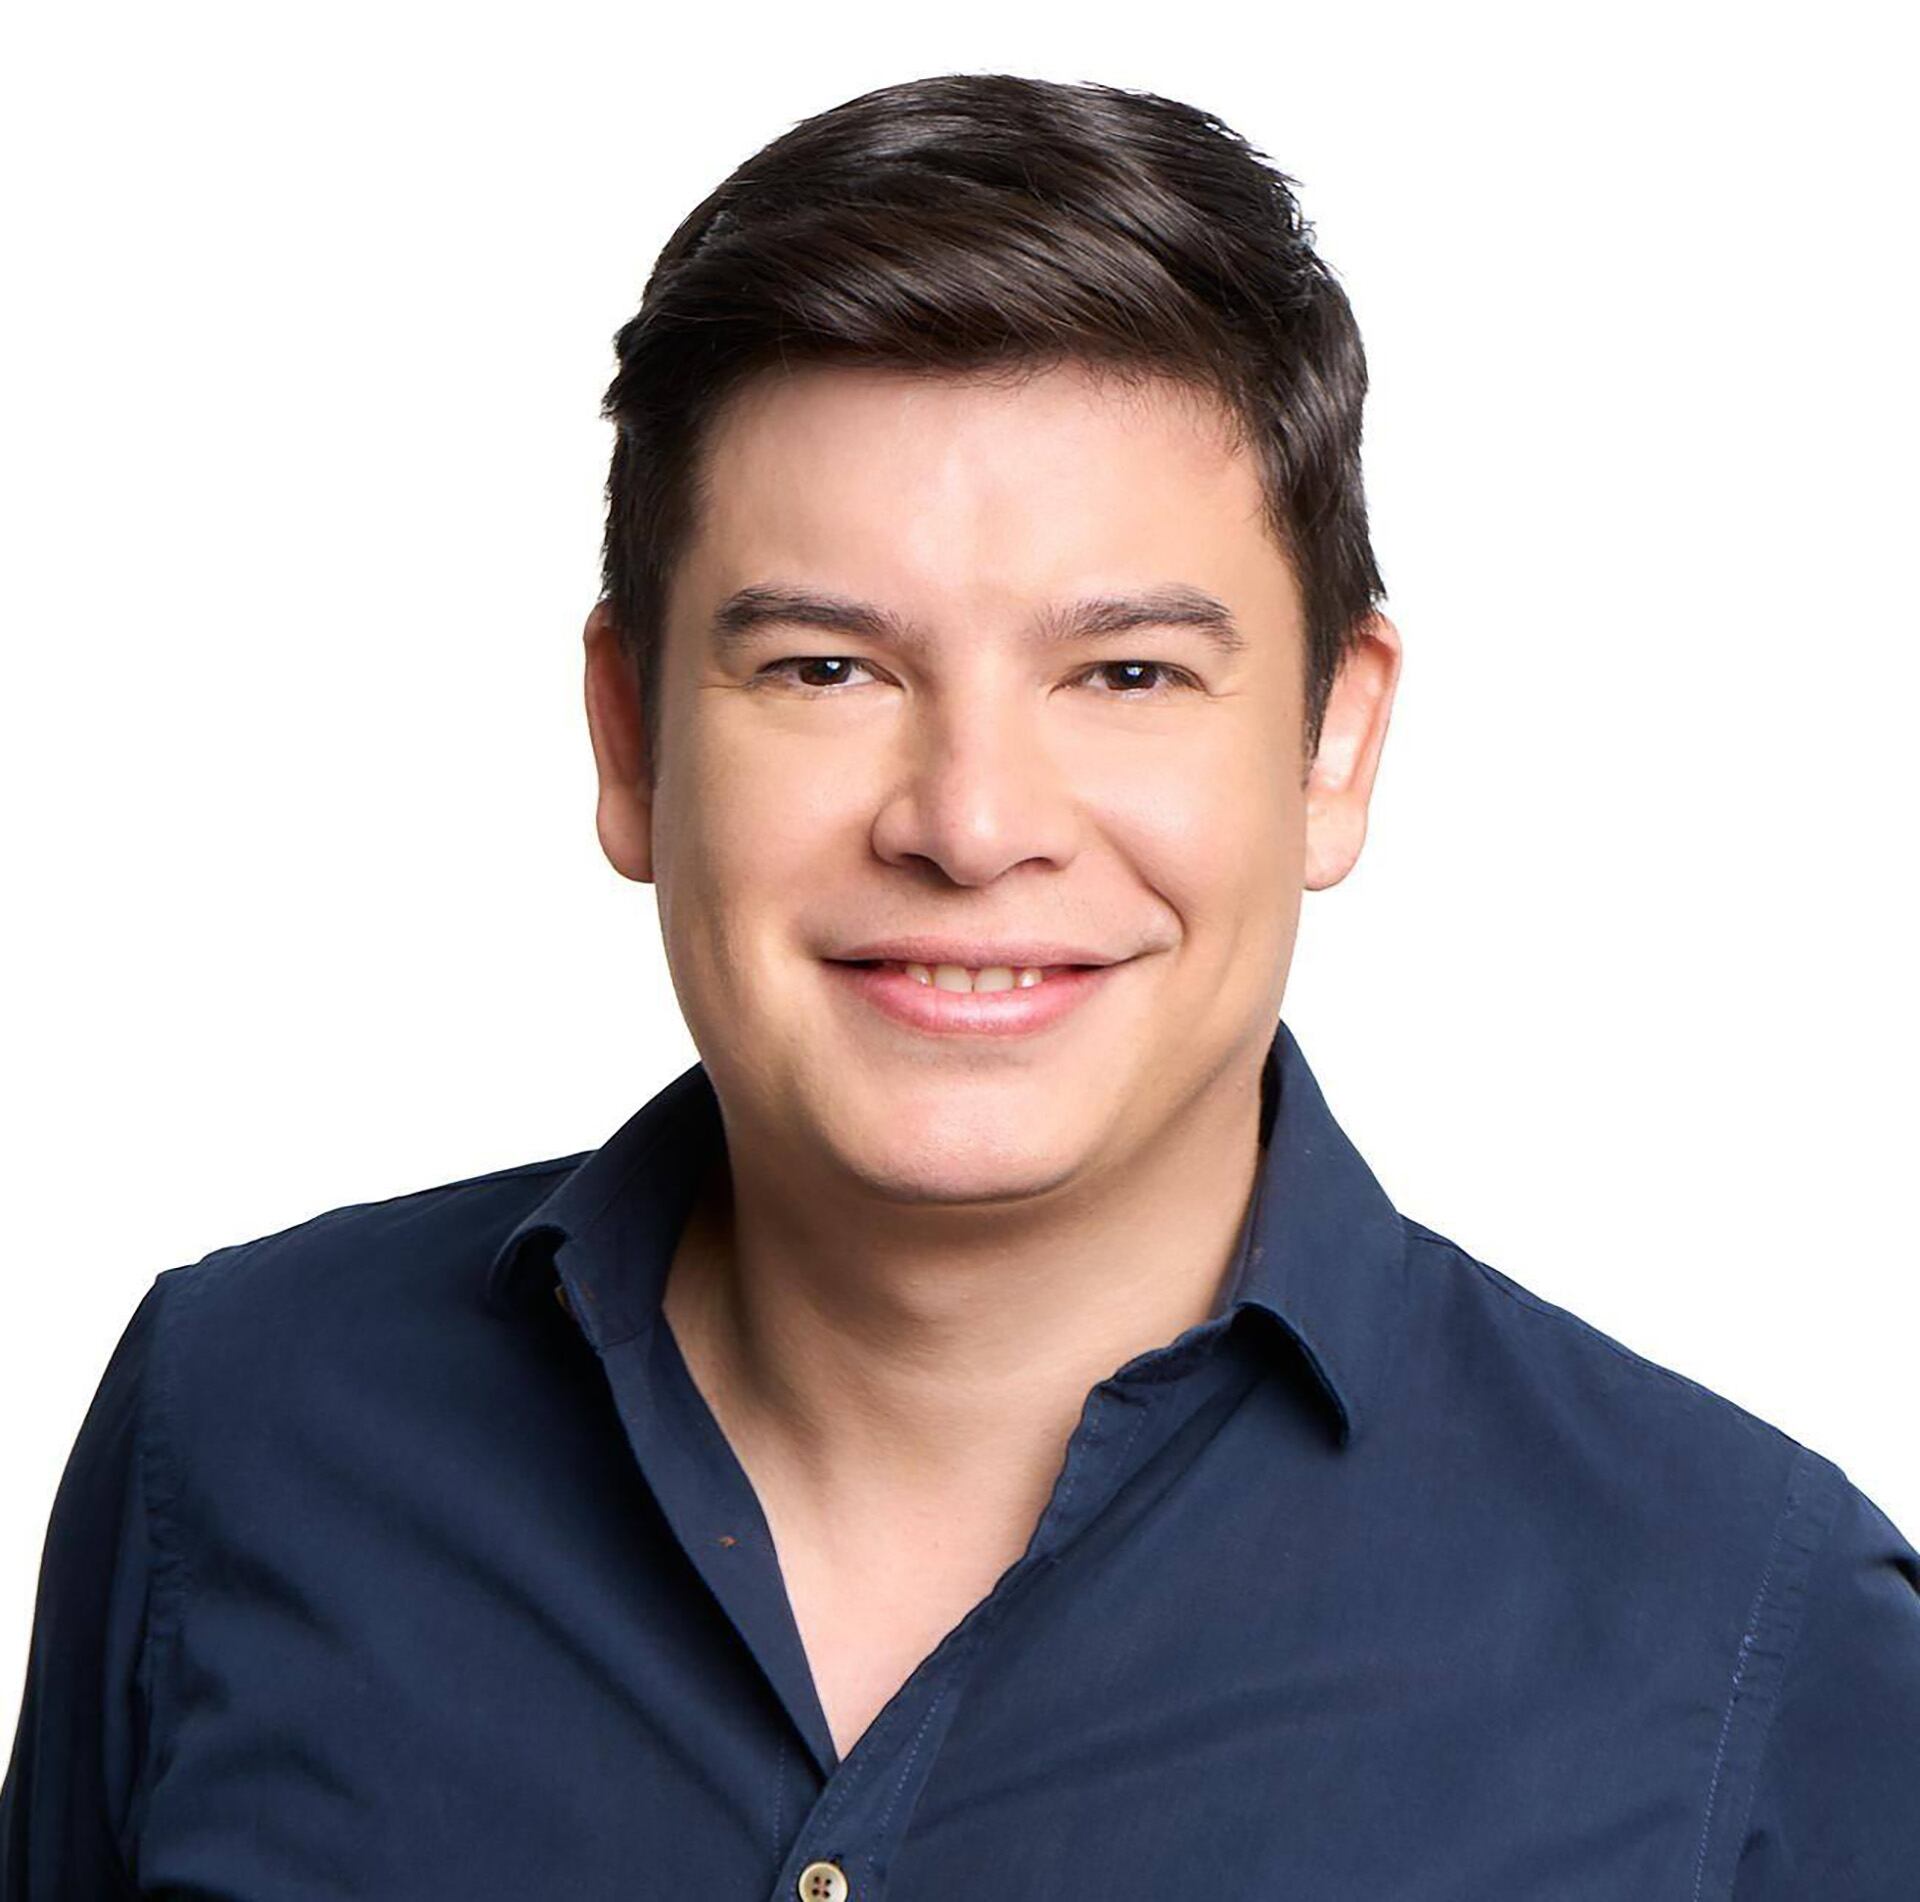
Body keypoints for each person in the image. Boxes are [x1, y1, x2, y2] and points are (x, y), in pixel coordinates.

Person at [3, 69, 1914, 1899]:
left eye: (1128, 674)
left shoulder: (1748, 1636)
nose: (972, 821)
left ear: (1336, 743)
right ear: (631, 737)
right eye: (826, 668)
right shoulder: (234, 1426)